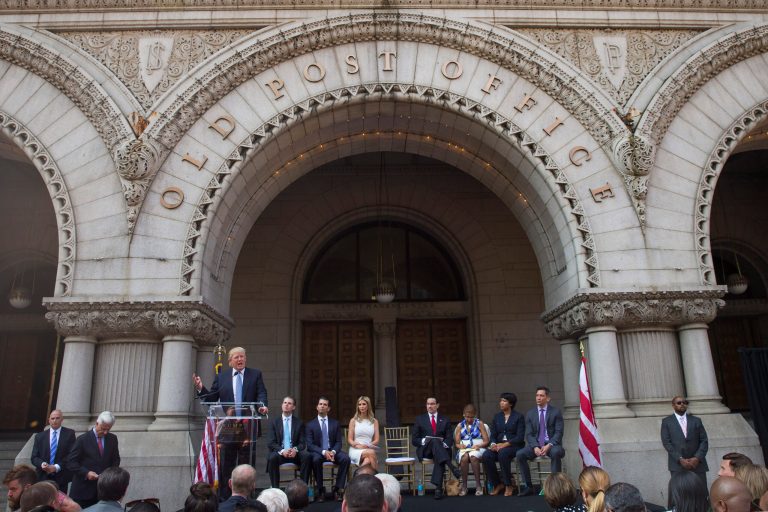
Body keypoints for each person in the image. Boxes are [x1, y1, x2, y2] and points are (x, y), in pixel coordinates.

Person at [193, 347, 269, 496]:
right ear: (230, 361)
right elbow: (212, 398)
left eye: (242, 357)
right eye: (237, 357)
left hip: (248, 427)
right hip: (228, 428)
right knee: (226, 466)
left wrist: (262, 406)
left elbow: (261, 393)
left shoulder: (255, 375)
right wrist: (201, 388)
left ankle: (247, 496)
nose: (240, 360)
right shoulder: (222, 377)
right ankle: (225, 497)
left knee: (246, 466)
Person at [516, 386, 565, 496]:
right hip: (536, 444)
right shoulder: (530, 413)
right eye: (537, 395)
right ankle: (528, 486)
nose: (538, 398)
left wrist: (549, 445)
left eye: (541, 395)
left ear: (548, 398)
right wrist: (535, 447)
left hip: (552, 444)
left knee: (556, 452)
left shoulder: (556, 412)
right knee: (520, 454)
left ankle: (555, 487)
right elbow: (528, 434)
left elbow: (559, 432)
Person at [67, 412, 121, 509]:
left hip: (103, 492)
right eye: (103, 429)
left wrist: (109, 475)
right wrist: (86, 473)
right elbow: (71, 462)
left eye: (108, 429)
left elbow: (115, 460)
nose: (105, 432)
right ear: (97, 423)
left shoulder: (112, 439)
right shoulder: (82, 439)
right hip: (83, 491)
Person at [411, 397, 459, 500]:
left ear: (437, 405)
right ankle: (451, 466)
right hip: (426, 450)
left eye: (432, 404)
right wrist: (425, 440)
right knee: (434, 441)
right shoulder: (419, 419)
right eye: (428, 404)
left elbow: (449, 438)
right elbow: (414, 440)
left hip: (442, 450)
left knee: (439, 453)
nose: (430, 406)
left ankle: (438, 489)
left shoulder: (445, 419)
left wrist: (443, 444)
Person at [305, 396, 350, 501]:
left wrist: (333, 452)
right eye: (320, 404)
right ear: (317, 407)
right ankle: (320, 490)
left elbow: (339, 442)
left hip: (332, 450)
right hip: (319, 452)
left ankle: (338, 489)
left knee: (345, 458)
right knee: (315, 459)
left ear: (328, 408)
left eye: (325, 405)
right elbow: (310, 445)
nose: (322, 406)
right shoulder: (310, 425)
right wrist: (324, 452)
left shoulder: (335, 423)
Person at [483, 392, 525, 497]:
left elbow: (520, 437)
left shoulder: (519, 417)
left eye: (504, 401)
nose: (501, 403)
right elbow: (493, 434)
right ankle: (497, 484)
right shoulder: (497, 417)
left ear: (510, 404)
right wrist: (493, 444)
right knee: (486, 455)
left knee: (503, 454)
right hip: (498, 446)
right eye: (501, 400)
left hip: (514, 446)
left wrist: (504, 444)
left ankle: (508, 484)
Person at [660, 396, 708, 486]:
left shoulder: (696, 420)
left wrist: (697, 458)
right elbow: (667, 443)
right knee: (680, 495)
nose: (682, 404)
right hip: (677, 465)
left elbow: (704, 441)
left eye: (685, 402)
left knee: (701, 493)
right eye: (679, 403)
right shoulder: (666, 422)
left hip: (697, 464)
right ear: (673, 405)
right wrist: (680, 459)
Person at [266, 397, 310, 489]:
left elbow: (302, 443)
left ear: (293, 407)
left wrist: (295, 449)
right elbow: (271, 442)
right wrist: (282, 451)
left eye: (289, 403)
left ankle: (303, 488)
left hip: (294, 455)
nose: (286, 405)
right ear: (282, 405)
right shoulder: (274, 422)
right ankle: (275, 488)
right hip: (280, 454)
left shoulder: (299, 423)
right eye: (284, 402)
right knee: (272, 457)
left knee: (307, 456)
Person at [31, 410, 76, 488]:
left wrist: (56, 467)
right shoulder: (40, 436)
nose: (55, 420)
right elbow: (34, 457)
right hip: (42, 477)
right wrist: (42, 464)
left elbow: (71, 455)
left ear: (62, 419)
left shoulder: (69, 434)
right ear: (49, 420)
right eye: (52, 418)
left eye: (57, 418)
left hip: (61, 476)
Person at [453, 403, 488, 496]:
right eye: (467, 416)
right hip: (465, 449)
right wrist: (460, 446)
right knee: (464, 458)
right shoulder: (460, 426)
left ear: (475, 415)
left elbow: (486, 441)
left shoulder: (479, 424)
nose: (469, 419)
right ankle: (464, 486)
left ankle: (478, 485)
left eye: (471, 417)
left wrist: (479, 446)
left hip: (478, 448)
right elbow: (456, 443)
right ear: (463, 414)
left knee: (473, 456)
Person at [347, 396, 380, 471]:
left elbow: (377, 440)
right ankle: (377, 477)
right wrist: (357, 445)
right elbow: (350, 439)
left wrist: (368, 445)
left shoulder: (374, 421)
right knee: (372, 453)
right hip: (355, 449)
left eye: (364, 404)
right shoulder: (353, 420)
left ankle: (357, 476)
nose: (361, 406)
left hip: (368, 447)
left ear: (368, 406)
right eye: (360, 404)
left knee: (368, 460)